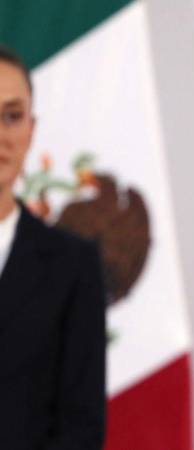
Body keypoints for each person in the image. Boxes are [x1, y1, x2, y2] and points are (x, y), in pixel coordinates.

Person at [0, 47, 106, 449]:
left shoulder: (72, 266)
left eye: (12, 116)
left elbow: (81, 428)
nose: (1, 135)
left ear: (32, 129)